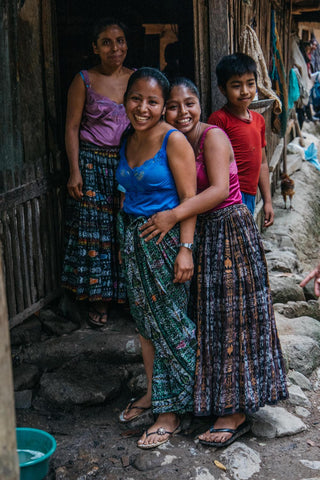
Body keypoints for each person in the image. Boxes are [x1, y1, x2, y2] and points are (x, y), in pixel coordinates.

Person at [140, 77, 288, 448]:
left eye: (189, 103)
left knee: (232, 320)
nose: (182, 112)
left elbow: (220, 190)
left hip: (229, 231)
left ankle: (235, 410)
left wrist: (173, 216)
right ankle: (207, 398)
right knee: (205, 319)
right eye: (173, 106)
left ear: (200, 105)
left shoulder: (213, 137)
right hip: (199, 234)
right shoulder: (170, 142)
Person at [116, 68, 197, 449]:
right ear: (125, 99)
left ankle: (172, 413)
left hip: (165, 245)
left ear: (164, 107)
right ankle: (153, 393)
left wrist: (185, 249)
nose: (142, 108)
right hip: (134, 242)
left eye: (152, 101)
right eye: (136, 98)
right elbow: (125, 193)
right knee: (146, 325)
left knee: (171, 327)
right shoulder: (126, 139)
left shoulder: (174, 140)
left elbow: (188, 200)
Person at [61, 18, 134, 327]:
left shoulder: (137, 79)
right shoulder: (84, 80)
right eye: (106, 42)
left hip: (128, 162)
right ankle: (100, 301)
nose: (114, 47)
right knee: (95, 232)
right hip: (91, 164)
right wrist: (74, 171)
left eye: (119, 41)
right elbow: (72, 127)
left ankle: (131, 297)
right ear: (95, 48)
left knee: (128, 226)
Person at [208, 53, 274, 226]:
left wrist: (267, 201)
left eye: (250, 84)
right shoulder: (219, 120)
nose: (245, 91)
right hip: (228, 197)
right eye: (236, 86)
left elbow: (262, 163)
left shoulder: (258, 120)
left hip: (250, 195)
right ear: (222, 89)